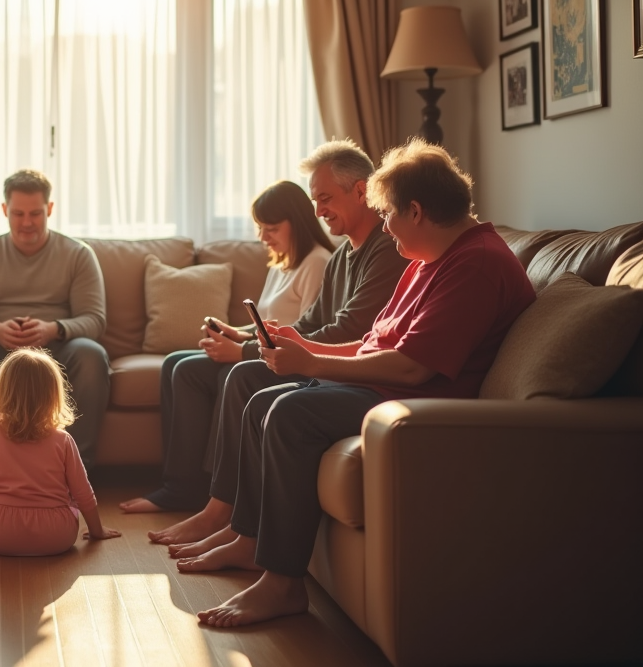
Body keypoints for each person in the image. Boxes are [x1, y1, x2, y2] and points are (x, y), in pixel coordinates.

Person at [177, 138, 535, 629]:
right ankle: (250, 540)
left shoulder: (476, 263)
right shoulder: (428, 258)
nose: (383, 226)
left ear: (416, 210)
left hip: (417, 402)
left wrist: (312, 364)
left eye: (387, 214)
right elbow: (370, 344)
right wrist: (306, 350)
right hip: (389, 387)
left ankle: (283, 585)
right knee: (261, 402)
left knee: (289, 413)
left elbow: (411, 368)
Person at [147, 139, 408, 549]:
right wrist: (254, 336)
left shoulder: (387, 250)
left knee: (242, 374)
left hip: (352, 374)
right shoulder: (343, 255)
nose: (318, 211)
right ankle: (221, 511)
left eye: (325, 199)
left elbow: (347, 330)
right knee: (229, 373)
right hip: (332, 366)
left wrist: (249, 350)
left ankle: (223, 514)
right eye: (314, 200)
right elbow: (309, 323)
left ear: (361, 191)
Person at [121, 180, 334, 514]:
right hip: (264, 350)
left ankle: (213, 489)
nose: (263, 237)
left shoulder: (317, 263)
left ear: (298, 222)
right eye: (260, 228)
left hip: (285, 362)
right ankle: (179, 484)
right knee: (177, 364)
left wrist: (242, 351)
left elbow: (305, 332)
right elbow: (271, 323)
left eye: (271, 229)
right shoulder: (283, 263)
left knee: (220, 373)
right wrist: (236, 332)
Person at [0, 170, 110, 468]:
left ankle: (74, 469)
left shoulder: (78, 254)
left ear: (50, 209)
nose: (27, 222)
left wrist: (54, 329)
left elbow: (95, 319)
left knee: (91, 354)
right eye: (18, 214)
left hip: (56, 351)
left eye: (36, 213)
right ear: (4, 209)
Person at [0, 348, 120, 554]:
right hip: (56, 536)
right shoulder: (63, 440)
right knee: (72, 507)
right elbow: (82, 490)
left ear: (1, 391)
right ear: (54, 395)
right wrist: (96, 530)